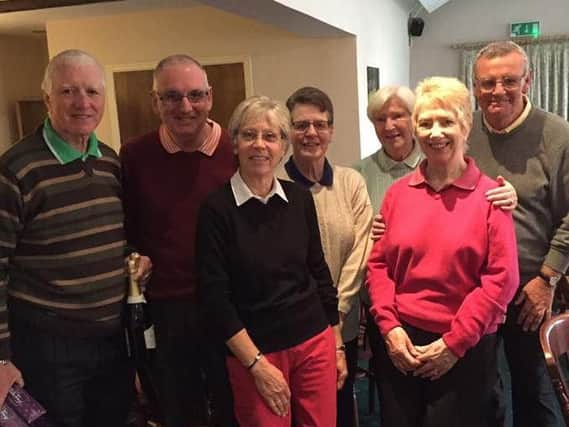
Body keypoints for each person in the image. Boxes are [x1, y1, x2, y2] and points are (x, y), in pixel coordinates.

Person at [0, 49, 150, 427]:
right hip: (49, 347)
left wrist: (134, 258)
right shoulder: (16, 169)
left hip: (112, 339)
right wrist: (1, 358)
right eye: (68, 92)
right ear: (48, 98)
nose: (83, 103)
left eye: (92, 92)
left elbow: (111, 235)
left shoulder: (110, 162)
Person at [366, 76, 519, 427]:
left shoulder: (491, 197)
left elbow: (502, 279)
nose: (435, 132)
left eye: (446, 121)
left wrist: (454, 344)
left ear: (465, 126)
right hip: (401, 343)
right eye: (426, 122)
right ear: (416, 131)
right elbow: (379, 266)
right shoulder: (398, 194)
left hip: (466, 345)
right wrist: (390, 329)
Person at [196, 95, 347, 426]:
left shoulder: (298, 199)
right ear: (235, 143)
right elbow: (215, 300)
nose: (260, 145)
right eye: (249, 135)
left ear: (283, 146)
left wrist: (336, 345)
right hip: (255, 353)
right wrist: (257, 365)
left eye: (271, 136)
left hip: (313, 342)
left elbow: (319, 274)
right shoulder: (216, 210)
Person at [120, 55, 237, 427]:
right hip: (168, 309)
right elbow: (126, 228)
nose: (185, 107)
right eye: (171, 97)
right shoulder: (135, 156)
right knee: (179, 410)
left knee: (235, 407)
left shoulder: (237, 150)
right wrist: (133, 256)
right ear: (155, 101)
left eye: (195, 95)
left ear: (210, 97)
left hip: (233, 304)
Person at [468, 40, 569, 427]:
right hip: (472, 286)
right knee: (479, 389)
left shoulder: (557, 135)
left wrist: (547, 279)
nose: (498, 91)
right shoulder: (463, 129)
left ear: (528, 81)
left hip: (530, 287)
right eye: (488, 83)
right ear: (475, 86)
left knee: (533, 390)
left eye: (509, 80)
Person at [282, 86, 373, 426]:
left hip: (342, 322)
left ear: (332, 131)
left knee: (339, 408)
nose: (311, 133)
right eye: (301, 125)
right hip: (294, 326)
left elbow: (362, 248)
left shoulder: (351, 182)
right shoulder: (274, 185)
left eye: (320, 124)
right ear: (289, 131)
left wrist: (337, 308)